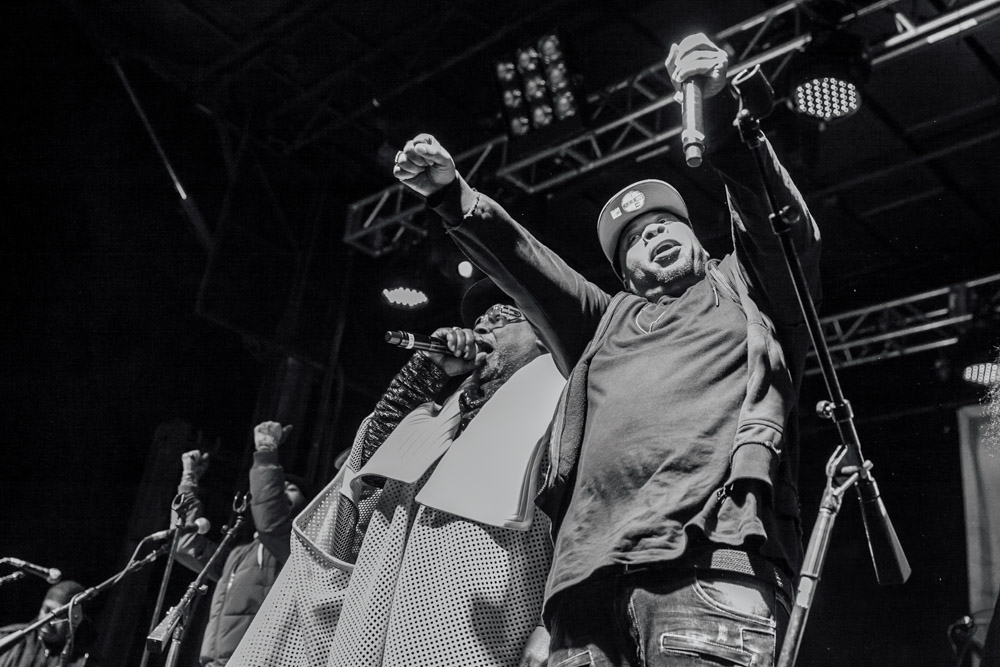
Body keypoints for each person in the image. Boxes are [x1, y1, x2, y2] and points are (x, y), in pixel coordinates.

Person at [393, 33, 820, 667]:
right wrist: (454, 196)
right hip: (585, 587)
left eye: (664, 224)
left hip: (708, 557)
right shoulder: (606, 322)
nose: (653, 235)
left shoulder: (743, 286)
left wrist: (719, 108)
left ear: (697, 237)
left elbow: (772, 219)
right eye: (636, 240)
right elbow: (530, 270)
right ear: (626, 274)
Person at [228, 280, 563, 667]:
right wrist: (422, 375)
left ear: (544, 333)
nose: (482, 326)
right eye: (480, 319)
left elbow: (588, 521)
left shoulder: (560, 404)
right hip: (384, 635)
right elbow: (357, 499)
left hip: (485, 638)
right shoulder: (439, 419)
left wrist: (553, 625)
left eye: (504, 316)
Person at [172, 422, 312, 667]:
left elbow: (271, 519)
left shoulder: (298, 549)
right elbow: (185, 545)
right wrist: (189, 479)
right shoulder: (239, 553)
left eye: (290, 489)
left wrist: (267, 451)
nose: (282, 492)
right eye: (279, 487)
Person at [0, 581, 93, 667]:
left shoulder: (84, 660)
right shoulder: (9, 638)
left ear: (75, 620)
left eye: (58, 615)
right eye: (46, 610)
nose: (47, 620)